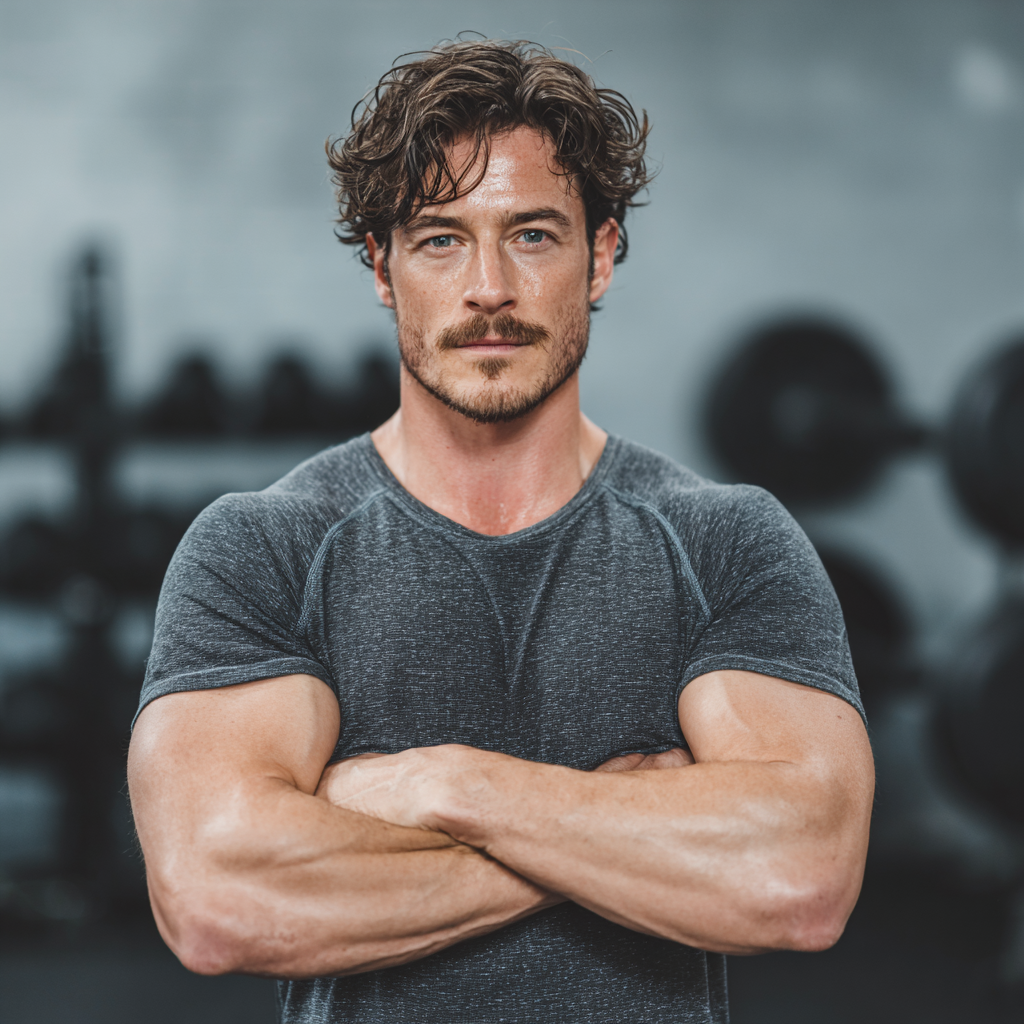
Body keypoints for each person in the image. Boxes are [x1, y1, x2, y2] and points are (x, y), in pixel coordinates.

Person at [128, 38, 873, 1024]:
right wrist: (619, 830)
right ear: (382, 268)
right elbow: (219, 899)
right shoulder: (261, 548)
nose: (488, 287)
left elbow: (799, 873)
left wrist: (443, 782)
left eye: (531, 234)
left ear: (601, 254)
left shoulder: (725, 541)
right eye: (440, 238)